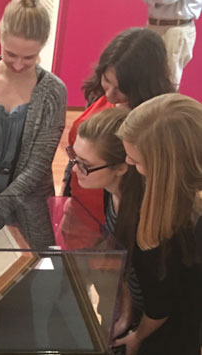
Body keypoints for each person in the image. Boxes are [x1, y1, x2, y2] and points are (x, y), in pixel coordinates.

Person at [0, 0, 67, 248]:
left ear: (43, 45)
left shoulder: (53, 91)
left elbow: (39, 163)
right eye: (11, 54)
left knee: (33, 275)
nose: (19, 65)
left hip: (31, 202)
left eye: (29, 57)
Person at [114, 93, 202, 354]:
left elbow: (163, 302)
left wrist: (138, 336)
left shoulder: (187, 224)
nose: (128, 162)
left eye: (138, 161)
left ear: (167, 168)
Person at [65, 27, 174, 223]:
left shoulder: (154, 126)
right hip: (81, 201)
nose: (109, 94)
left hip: (115, 219)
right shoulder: (99, 96)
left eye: (122, 89)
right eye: (106, 81)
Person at [69, 107, 144, 337]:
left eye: (85, 164)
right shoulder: (110, 191)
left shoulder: (144, 215)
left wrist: (133, 329)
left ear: (121, 167)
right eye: (74, 158)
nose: (74, 169)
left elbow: (157, 293)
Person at [143, 0, 202, 88]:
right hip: (153, 25)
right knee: (145, 74)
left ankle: (166, 101)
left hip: (176, 26)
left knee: (168, 78)